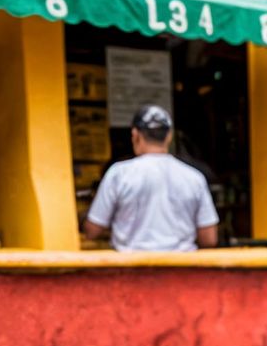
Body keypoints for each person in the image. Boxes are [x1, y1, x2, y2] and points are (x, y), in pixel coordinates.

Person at [84, 105, 219, 252]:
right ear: (169, 136)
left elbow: (93, 230)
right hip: (180, 269)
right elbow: (209, 238)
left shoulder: (119, 174)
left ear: (135, 135)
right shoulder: (194, 177)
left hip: (131, 270)